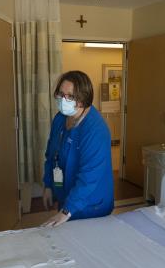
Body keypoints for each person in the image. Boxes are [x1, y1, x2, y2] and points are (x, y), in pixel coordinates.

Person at [41, 70, 113, 227]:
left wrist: (66, 211)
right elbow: (51, 155)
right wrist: (48, 185)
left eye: (70, 96)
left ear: (83, 98)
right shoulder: (60, 119)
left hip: (91, 206)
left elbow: (89, 178)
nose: (63, 99)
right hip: (67, 199)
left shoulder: (96, 130)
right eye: (60, 94)